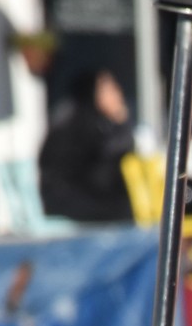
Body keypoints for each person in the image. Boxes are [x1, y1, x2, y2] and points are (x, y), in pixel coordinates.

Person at [39, 69, 135, 224]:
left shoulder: (81, 119)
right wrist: (121, 126)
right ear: (93, 93)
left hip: (73, 202)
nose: (117, 94)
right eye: (109, 90)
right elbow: (103, 177)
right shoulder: (82, 125)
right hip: (76, 206)